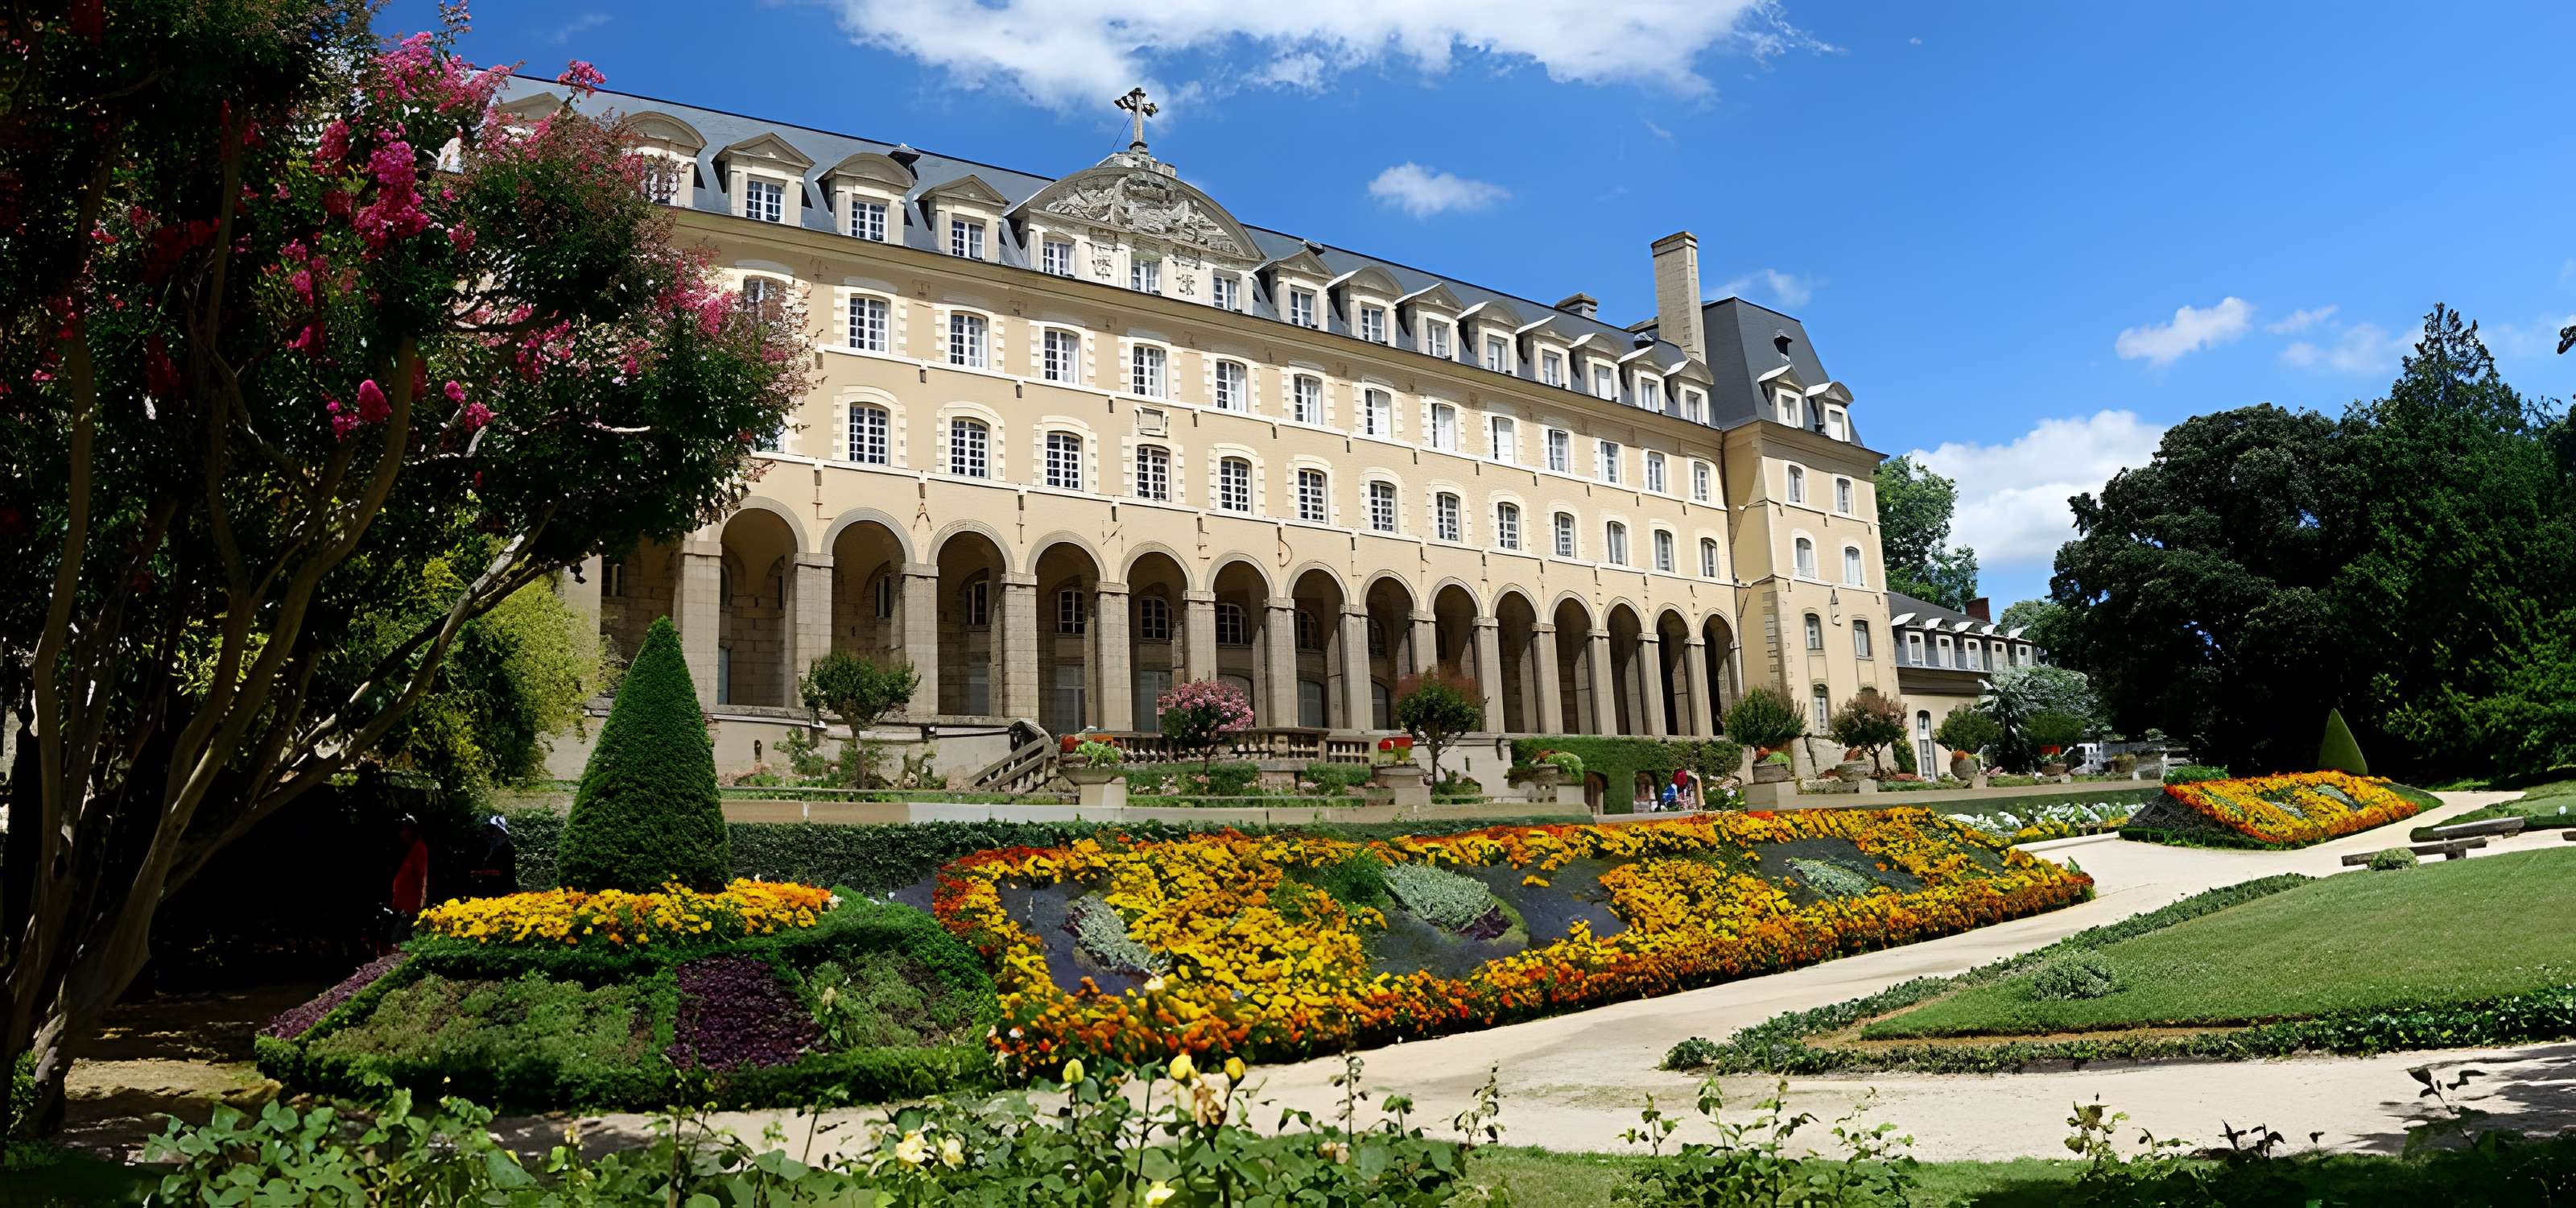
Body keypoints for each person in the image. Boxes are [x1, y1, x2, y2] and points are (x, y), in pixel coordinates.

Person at [382, 814, 429, 954]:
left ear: (410, 831)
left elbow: (422, 878)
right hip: (401, 904)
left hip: (410, 907)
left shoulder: (419, 849)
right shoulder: (408, 849)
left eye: (403, 830)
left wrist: (420, 904)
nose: (400, 834)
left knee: (400, 942)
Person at [466, 814, 516, 899]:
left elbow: (503, 872)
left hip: (503, 892)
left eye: (489, 829)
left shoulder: (507, 848)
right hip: (492, 891)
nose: (485, 832)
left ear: (498, 831)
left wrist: (480, 873)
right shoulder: (492, 846)